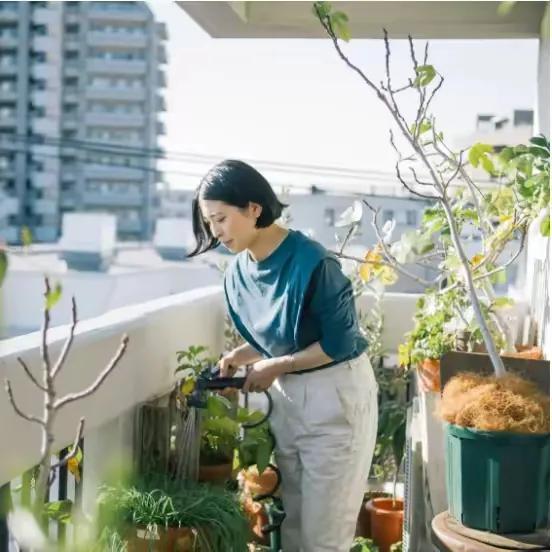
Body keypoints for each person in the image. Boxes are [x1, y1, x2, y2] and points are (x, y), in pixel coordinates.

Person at [188, 159, 378, 552]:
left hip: (334, 397)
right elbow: (275, 337)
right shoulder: (238, 273)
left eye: (221, 219)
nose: (215, 231)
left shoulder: (314, 262)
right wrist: (239, 357)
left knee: (324, 537)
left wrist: (280, 365)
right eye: (209, 223)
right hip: (289, 400)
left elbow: (339, 342)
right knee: (292, 530)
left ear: (254, 209)